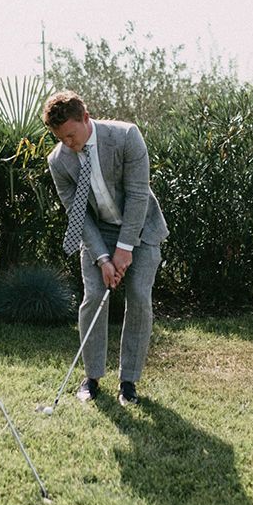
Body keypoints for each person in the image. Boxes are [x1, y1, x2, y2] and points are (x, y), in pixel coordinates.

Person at [42, 91, 168, 406]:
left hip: (141, 227)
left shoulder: (126, 137)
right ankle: (92, 376)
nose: (68, 143)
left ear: (86, 118)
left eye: (71, 135)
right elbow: (78, 214)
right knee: (94, 297)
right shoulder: (58, 161)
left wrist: (125, 249)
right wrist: (102, 257)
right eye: (61, 138)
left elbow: (139, 195)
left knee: (139, 297)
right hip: (98, 232)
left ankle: (128, 382)